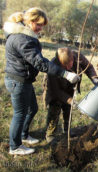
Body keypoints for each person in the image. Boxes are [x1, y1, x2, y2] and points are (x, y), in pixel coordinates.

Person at [3, 8, 79, 155]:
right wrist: (65, 74)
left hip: (24, 80)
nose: (40, 28)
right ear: (30, 22)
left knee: (33, 109)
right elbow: (40, 63)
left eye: (42, 25)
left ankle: (24, 135)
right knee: (20, 113)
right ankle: (15, 146)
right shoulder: (21, 39)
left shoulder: (24, 36)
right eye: (38, 24)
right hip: (18, 81)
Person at [43, 47, 98, 143]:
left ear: (72, 59)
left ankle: (67, 130)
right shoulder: (53, 65)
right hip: (55, 90)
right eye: (64, 66)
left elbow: (89, 67)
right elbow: (56, 90)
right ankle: (50, 134)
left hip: (69, 87)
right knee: (54, 110)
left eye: (69, 64)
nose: (67, 68)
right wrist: (69, 100)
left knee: (68, 110)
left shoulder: (78, 57)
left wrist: (95, 78)